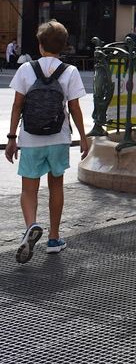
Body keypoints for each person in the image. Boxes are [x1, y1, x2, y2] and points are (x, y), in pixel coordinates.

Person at [5, 20, 89, 264]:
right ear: (64, 47)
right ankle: (54, 238)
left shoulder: (25, 69)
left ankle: (31, 225)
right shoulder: (70, 71)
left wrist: (12, 138)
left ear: (40, 46)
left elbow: (17, 105)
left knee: (28, 190)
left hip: (30, 138)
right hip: (58, 138)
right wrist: (83, 137)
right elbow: (74, 108)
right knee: (56, 187)